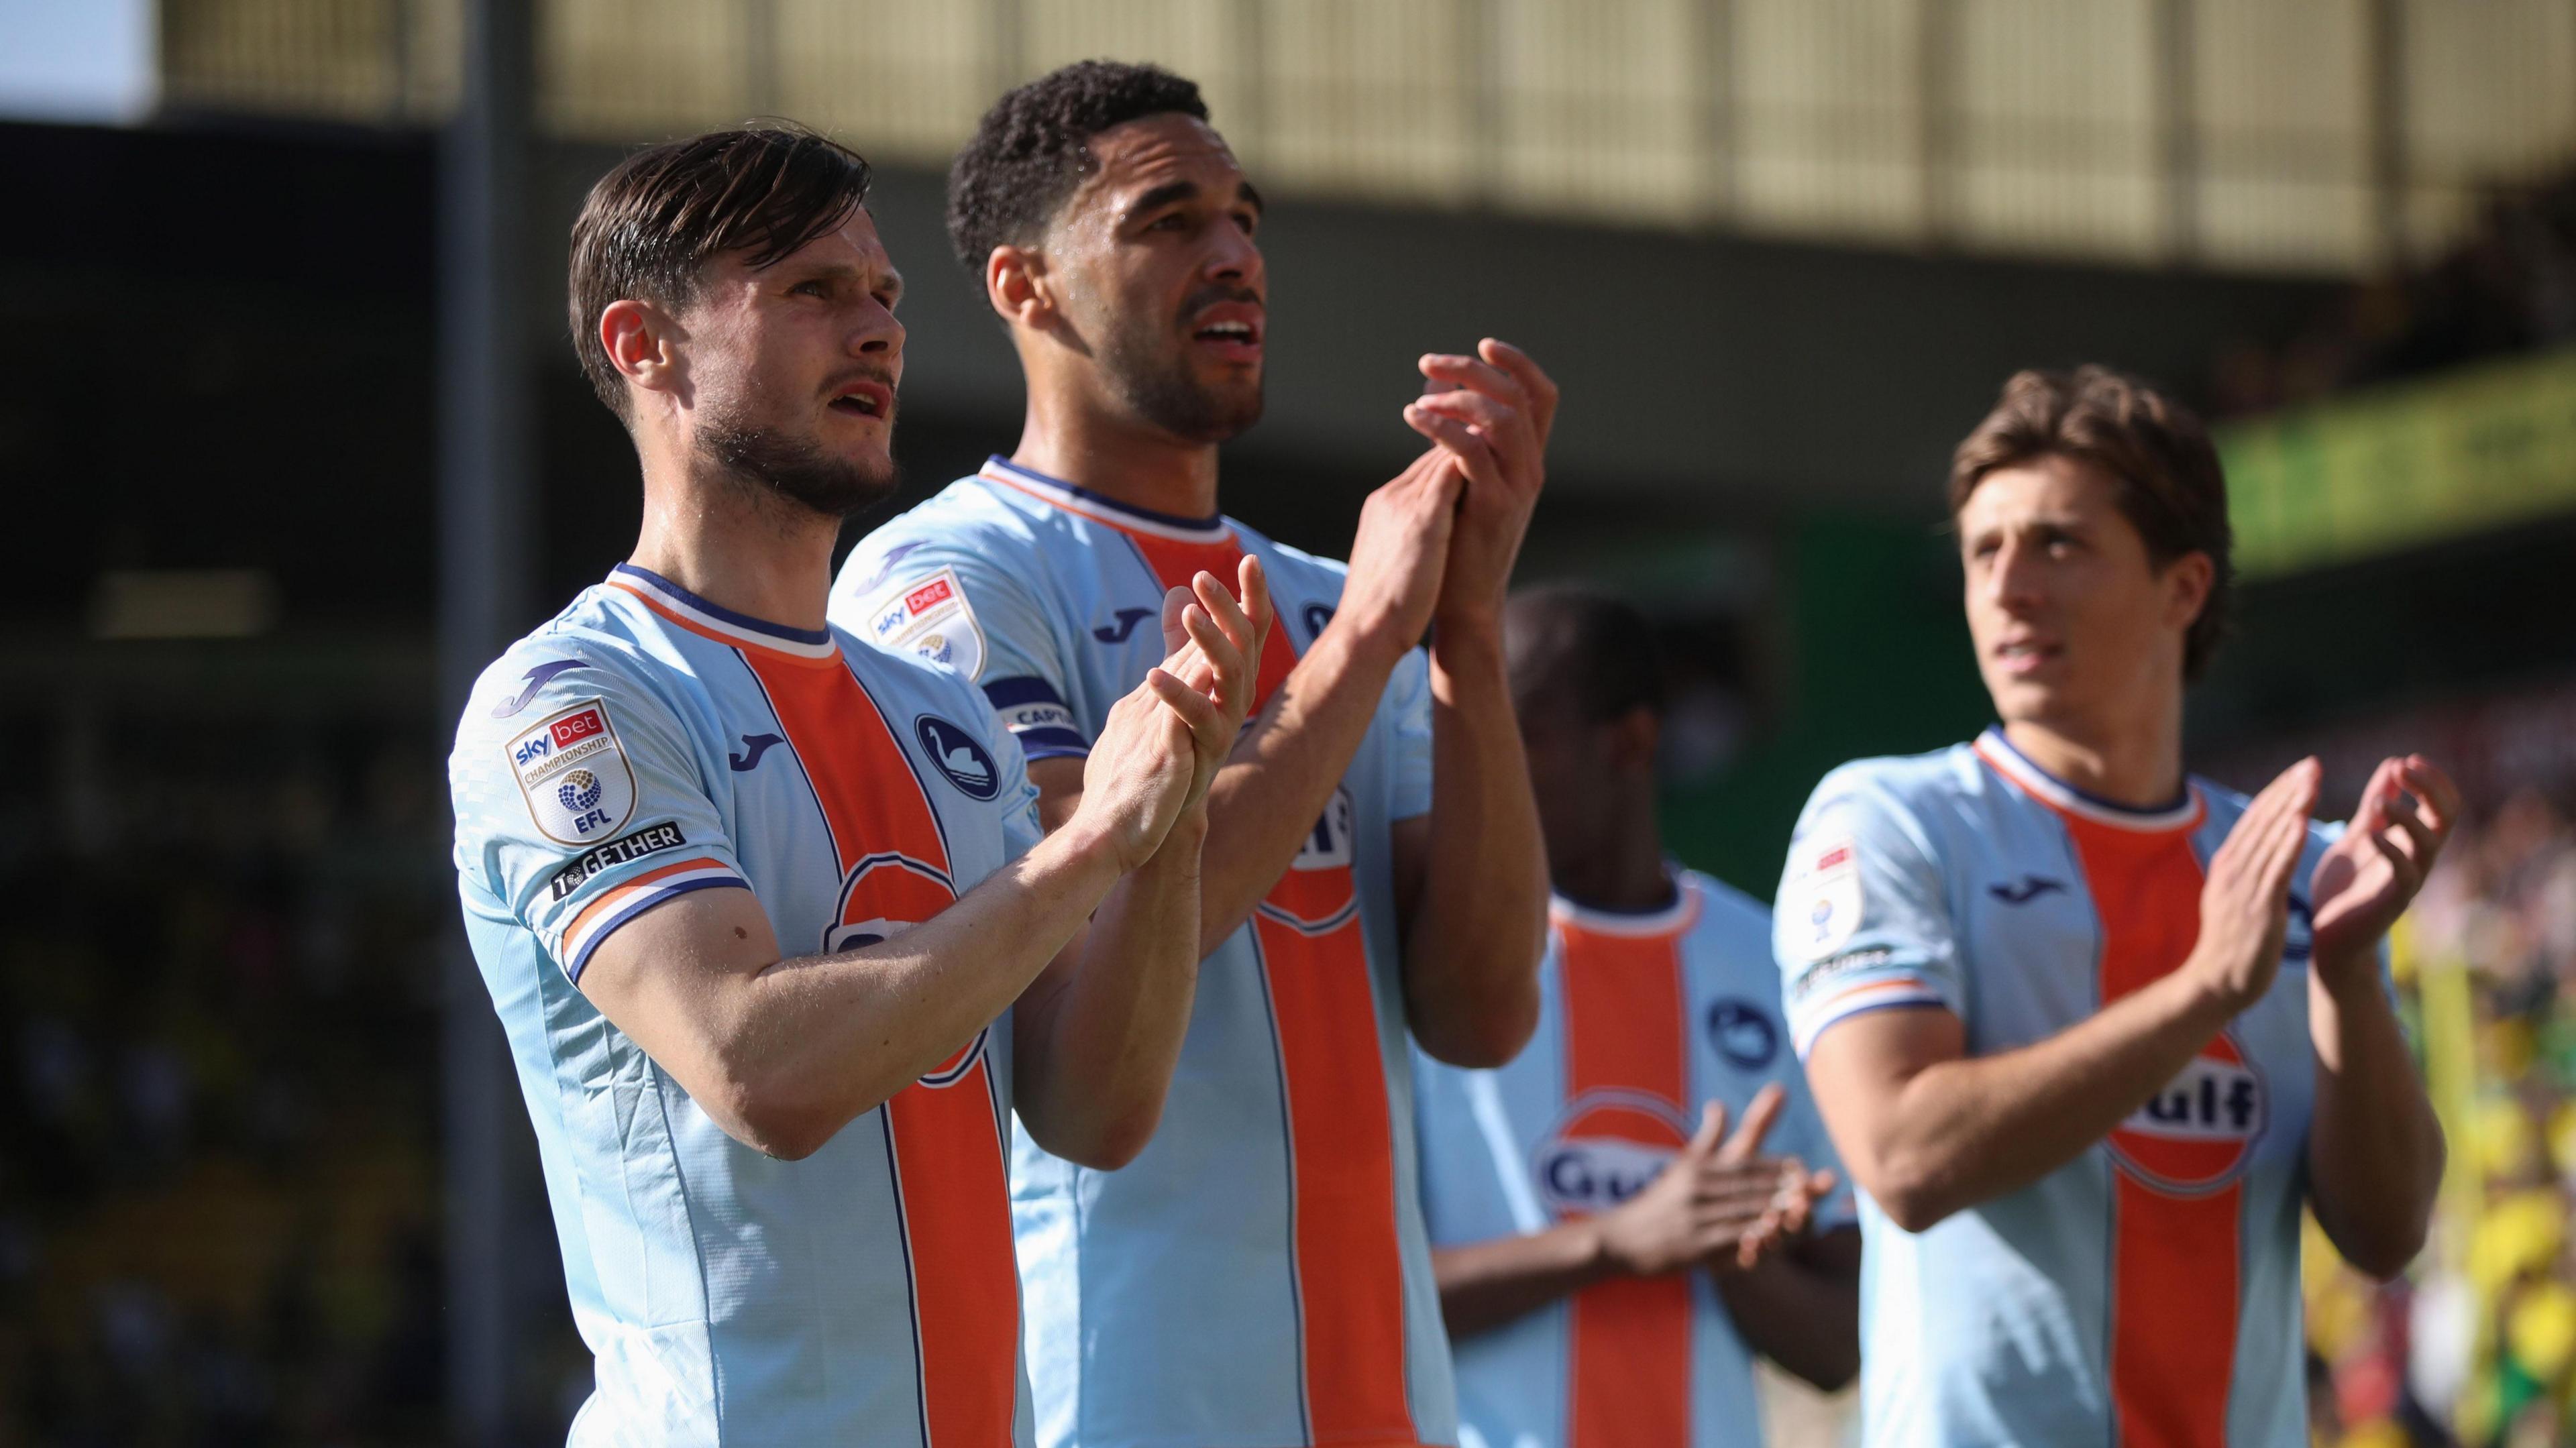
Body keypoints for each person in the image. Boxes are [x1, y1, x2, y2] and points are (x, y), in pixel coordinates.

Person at [447, 124, 1261, 1445]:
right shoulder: (574, 700)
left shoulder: (941, 713)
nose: (878, 329)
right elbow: (757, 1067)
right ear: (645, 345)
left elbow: (1095, 1111)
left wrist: (1165, 823)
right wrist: (1094, 839)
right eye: (811, 291)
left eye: (884, 294)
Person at [830, 60, 1552, 1448]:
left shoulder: (1340, 596)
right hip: (1118, 1399)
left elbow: (1481, 1012)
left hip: (1388, 1404)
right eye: (1168, 219)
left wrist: (1464, 626)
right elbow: (1084, 929)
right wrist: (1372, 639)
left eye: (1244, 217)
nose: (1234, 254)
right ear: (1027, 286)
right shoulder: (950, 576)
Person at [1777, 366, 2454, 1446]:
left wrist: (2342, 974)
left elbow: (2388, 1231)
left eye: (2058, 544)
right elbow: (1900, 1156)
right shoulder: (1893, 821)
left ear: (2183, 589)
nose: (2010, 586)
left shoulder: (2299, 868)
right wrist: (2201, 993)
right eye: (1984, 551)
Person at [1414, 586, 1860, 1448]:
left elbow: (1838, 1349)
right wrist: (1616, 1240)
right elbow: (1355, 1301)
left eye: (1521, 734)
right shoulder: (1436, 962)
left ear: (1631, 741)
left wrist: (1727, 1250)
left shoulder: (1769, 964)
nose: (1480, 768)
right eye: (1464, 735)